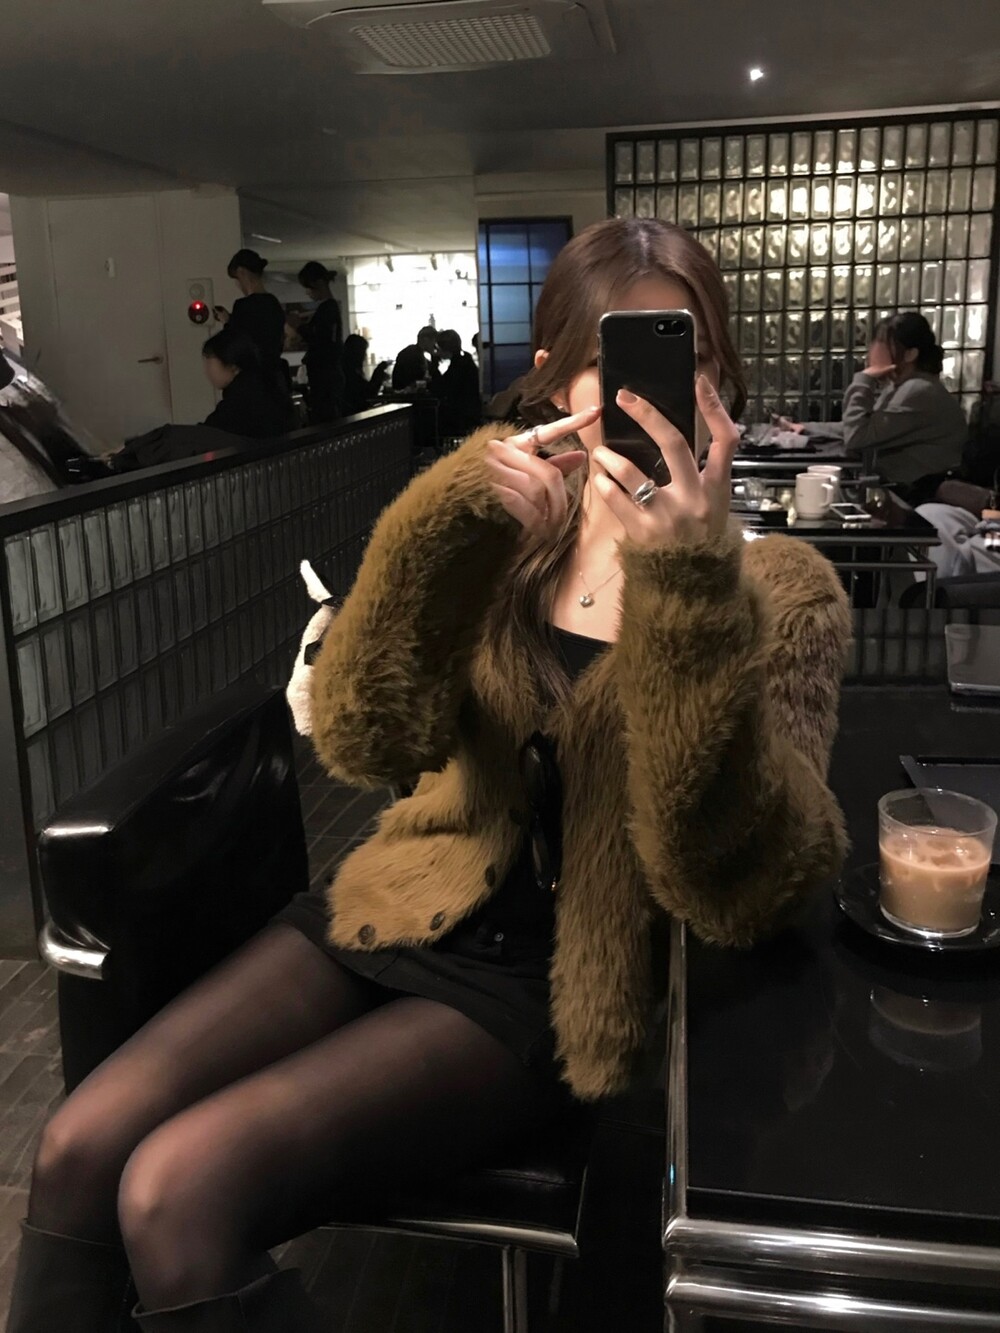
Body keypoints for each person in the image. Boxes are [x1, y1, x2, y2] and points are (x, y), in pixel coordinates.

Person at [6, 218, 850, 1332]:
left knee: (176, 1190)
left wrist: (689, 584)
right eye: (613, 358)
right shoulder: (511, 534)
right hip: (397, 904)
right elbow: (362, 737)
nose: (649, 395)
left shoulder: (781, 588)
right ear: (554, 376)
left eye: (683, 358)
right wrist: (443, 526)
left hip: (550, 979)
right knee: (76, 1145)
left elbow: (734, 880)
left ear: (721, 386)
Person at [782, 313, 968, 503]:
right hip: (906, 490)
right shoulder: (904, 385)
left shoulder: (917, 390)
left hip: (920, 497)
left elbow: (857, 437)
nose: (873, 351)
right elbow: (860, 427)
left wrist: (865, 379)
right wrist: (805, 428)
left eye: (882, 344)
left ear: (910, 354)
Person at [215, 249, 290, 401]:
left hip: (252, 381)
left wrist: (228, 322)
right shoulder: (273, 304)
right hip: (274, 379)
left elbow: (236, 343)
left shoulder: (243, 306)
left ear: (241, 272)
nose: (238, 284)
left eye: (236, 279)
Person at [201, 328, 295, 439]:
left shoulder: (241, 399)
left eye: (210, 362)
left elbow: (209, 434)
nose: (206, 370)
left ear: (233, 365)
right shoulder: (265, 386)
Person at [292, 262, 345, 423]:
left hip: (324, 376)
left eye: (308, 287)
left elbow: (320, 339)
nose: (307, 292)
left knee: (324, 416)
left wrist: (299, 327)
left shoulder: (327, 309)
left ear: (318, 284)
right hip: (328, 374)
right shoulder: (329, 308)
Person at [430, 328, 482, 437]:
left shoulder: (459, 365)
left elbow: (443, 387)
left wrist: (434, 368)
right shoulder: (465, 359)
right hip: (469, 410)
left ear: (445, 348)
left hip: (461, 414)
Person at [341, 334, 389, 416]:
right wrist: (378, 374)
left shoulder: (349, 370)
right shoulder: (350, 374)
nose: (365, 356)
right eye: (363, 351)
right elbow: (367, 394)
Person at [391, 324, 438, 391]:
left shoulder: (413, 353)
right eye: (434, 341)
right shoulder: (412, 355)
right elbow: (417, 380)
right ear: (426, 339)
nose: (434, 345)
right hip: (407, 394)